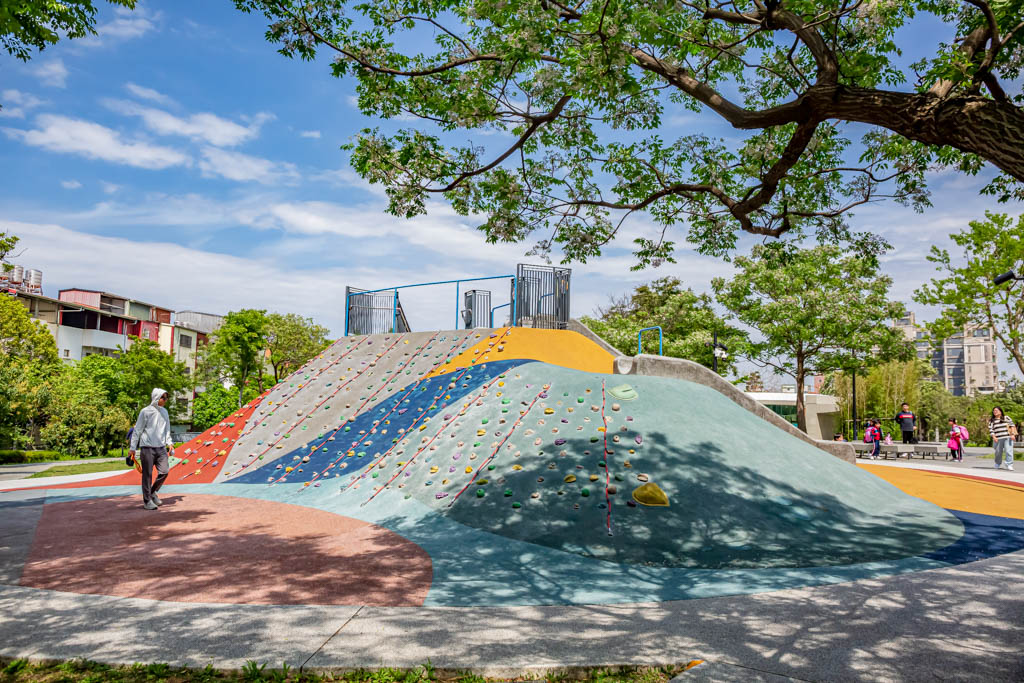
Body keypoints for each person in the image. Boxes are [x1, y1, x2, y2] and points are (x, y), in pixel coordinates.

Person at [129, 388, 175, 510]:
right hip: (147, 448)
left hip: (161, 448)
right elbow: (137, 430)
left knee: (164, 472)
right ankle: (147, 501)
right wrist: (132, 448)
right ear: (156, 397)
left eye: (166, 398)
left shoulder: (164, 412)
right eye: (163, 398)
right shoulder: (145, 412)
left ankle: (152, 492)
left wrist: (169, 443)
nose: (165, 400)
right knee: (147, 475)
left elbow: (167, 430)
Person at [988, 406, 1016, 471]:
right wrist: (994, 437)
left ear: (1000, 411)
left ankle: (1009, 464)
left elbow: (1012, 426)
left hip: (1007, 437)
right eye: (994, 410)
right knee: (998, 452)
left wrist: (1012, 434)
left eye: (996, 410)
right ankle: (997, 463)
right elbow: (991, 430)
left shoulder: (1006, 418)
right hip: (997, 438)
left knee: (1009, 451)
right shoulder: (992, 420)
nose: (995, 412)